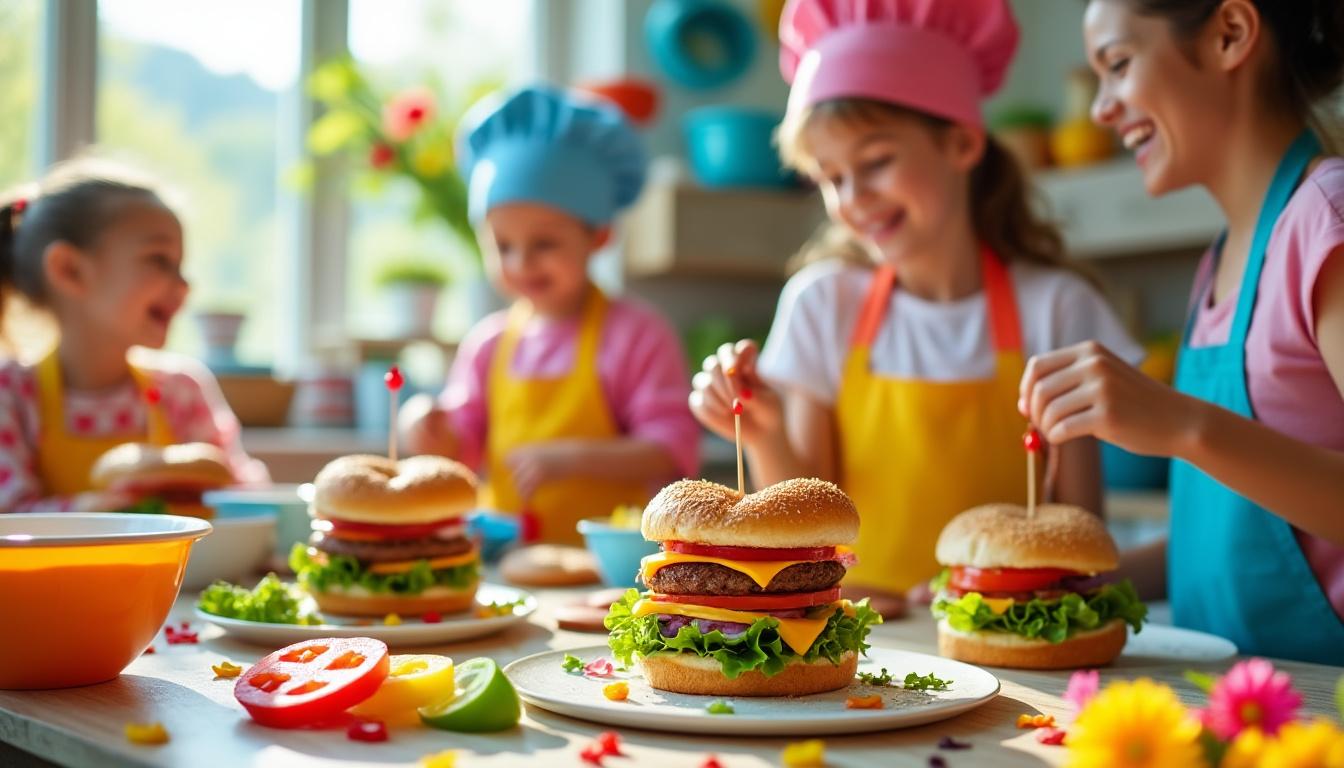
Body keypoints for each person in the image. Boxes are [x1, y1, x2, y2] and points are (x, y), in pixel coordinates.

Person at [690, 0, 1142, 606]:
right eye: (830, 177)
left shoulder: (1057, 308)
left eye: (875, 162)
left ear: (960, 143)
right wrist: (763, 431)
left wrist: (999, 593)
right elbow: (807, 520)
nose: (852, 199)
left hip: (1001, 639)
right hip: (861, 644)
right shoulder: (823, 303)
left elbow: (1078, 539)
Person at [1020, 0, 1344, 664]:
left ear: (1230, 34)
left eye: (1118, 66)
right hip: (1227, 705)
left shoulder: (1325, 218)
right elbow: (1241, 534)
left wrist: (1182, 425)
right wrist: (1086, 581)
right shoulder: (1218, 262)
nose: (1100, 110)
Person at [400, 85, 699, 545]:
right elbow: (461, 449)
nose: (521, 264)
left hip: (614, 576)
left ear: (598, 236)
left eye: (544, 244)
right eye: (503, 246)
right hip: (506, 567)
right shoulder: (487, 344)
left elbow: (670, 450)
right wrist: (423, 426)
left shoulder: (638, 335)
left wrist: (572, 458)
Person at [0, 160, 265, 512]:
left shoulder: (181, 390)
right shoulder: (12, 395)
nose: (185, 285)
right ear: (70, 270)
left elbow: (242, 498)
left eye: (180, 265)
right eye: (159, 259)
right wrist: (108, 512)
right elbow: (12, 519)